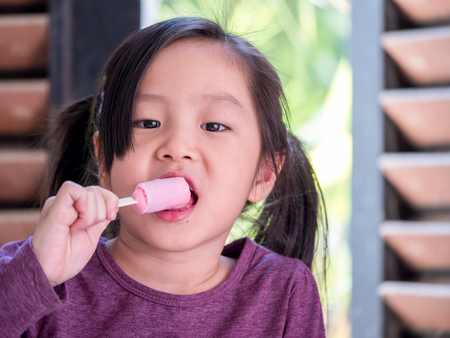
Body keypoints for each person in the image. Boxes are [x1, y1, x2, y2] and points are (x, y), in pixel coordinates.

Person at [0, 17, 327, 337]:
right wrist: (36, 274)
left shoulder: (284, 293)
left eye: (214, 126)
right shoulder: (35, 273)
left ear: (263, 172)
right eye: (147, 122)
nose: (177, 148)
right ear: (104, 158)